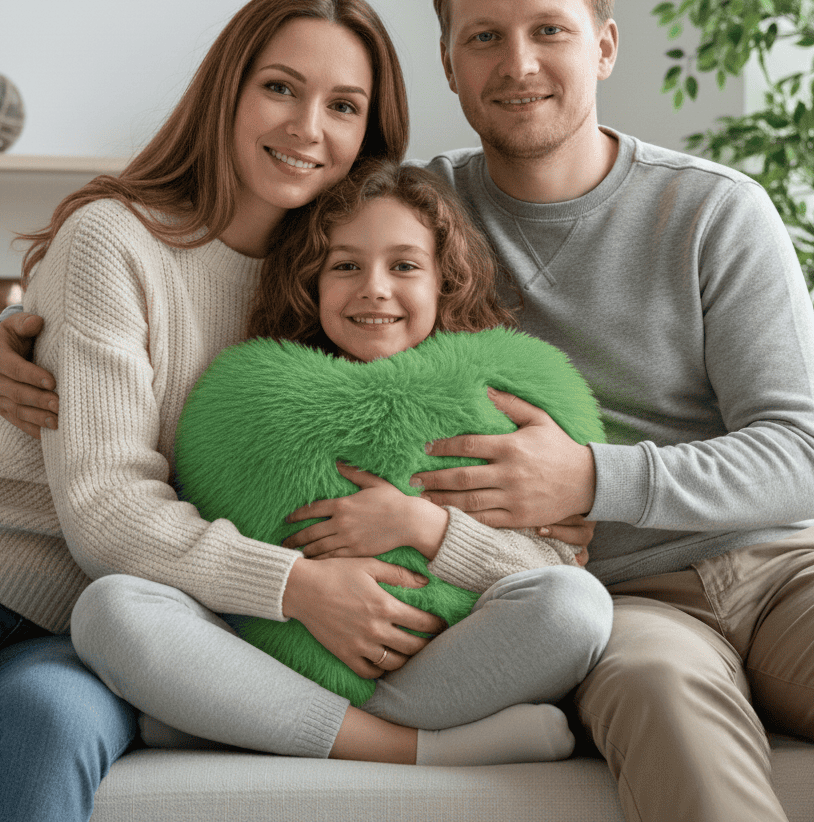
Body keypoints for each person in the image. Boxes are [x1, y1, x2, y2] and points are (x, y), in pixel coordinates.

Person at [0, 0, 814, 822]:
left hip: (787, 567)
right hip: (627, 600)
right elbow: (253, 256)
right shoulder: (426, 206)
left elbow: (804, 459)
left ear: (603, 46)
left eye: (548, 30)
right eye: (485, 38)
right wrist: (16, 328)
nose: (517, 63)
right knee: (656, 702)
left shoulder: (714, 211)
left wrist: (588, 476)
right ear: (448, 65)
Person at [0, 0, 420, 821]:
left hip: (93, 618)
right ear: (227, 92)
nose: (307, 126)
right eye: (280, 87)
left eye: (344, 106)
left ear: (370, 134)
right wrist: (297, 586)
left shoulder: (343, 288)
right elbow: (106, 508)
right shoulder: (115, 239)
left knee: (54, 737)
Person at [69, 159, 611, 763]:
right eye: (346, 265)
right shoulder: (252, 400)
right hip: (278, 656)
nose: (374, 288)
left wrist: (424, 527)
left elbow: (555, 567)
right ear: (312, 282)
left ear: (445, 280)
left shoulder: (499, 400)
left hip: (436, 666)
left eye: (404, 266)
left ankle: (249, 722)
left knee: (576, 608)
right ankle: (415, 748)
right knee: (108, 609)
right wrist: (301, 589)